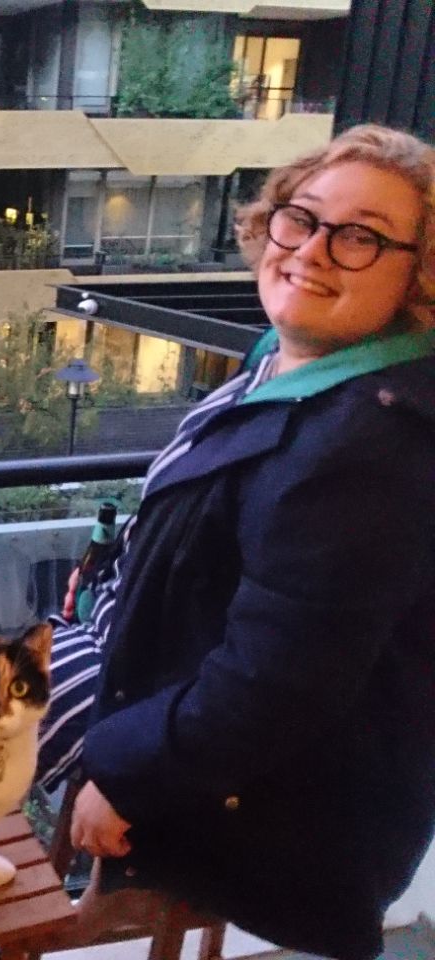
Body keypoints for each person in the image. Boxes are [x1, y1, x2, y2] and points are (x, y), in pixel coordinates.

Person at [34, 123, 435, 960]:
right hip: (191, 697)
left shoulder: (367, 451)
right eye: (302, 217)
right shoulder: (287, 361)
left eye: (360, 237)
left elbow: (272, 686)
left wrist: (123, 779)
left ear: (419, 273)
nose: (311, 251)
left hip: (266, 800)